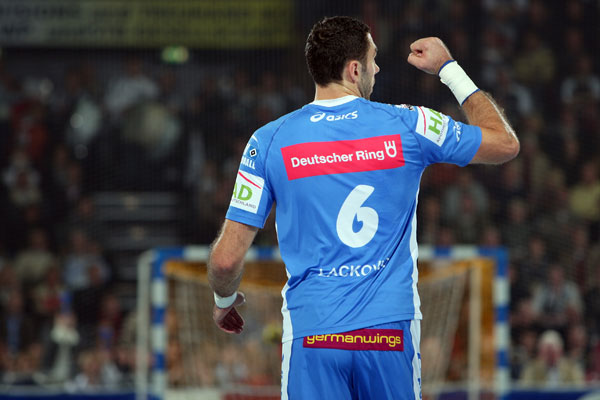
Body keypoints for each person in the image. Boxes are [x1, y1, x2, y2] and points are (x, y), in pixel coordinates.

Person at [208, 16, 519, 399]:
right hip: (388, 332)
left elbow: (225, 261)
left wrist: (224, 300)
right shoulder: (410, 124)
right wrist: (447, 68)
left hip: (313, 335)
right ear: (354, 70)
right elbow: (504, 143)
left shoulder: (268, 141)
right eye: (373, 59)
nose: (378, 68)